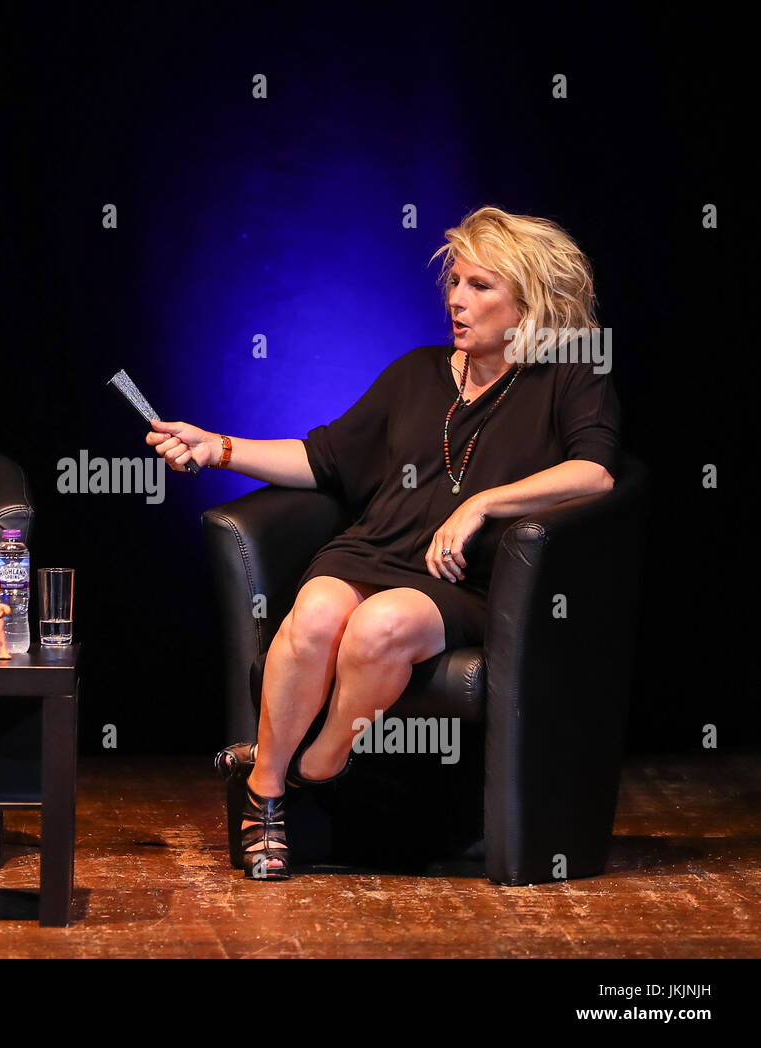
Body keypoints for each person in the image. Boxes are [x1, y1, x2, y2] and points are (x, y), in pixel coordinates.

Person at [146, 206, 621, 880]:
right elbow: (321, 460)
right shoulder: (418, 373)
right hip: (373, 550)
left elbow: (595, 471)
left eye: (481, 286)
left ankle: (318, 762)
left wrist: (484, 504)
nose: (457, 299)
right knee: (311, 615)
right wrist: (217, 447)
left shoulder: (568, 376)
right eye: (455, 282)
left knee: (380, 626)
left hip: (465, 580)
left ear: (529, 301)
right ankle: (267, 792)